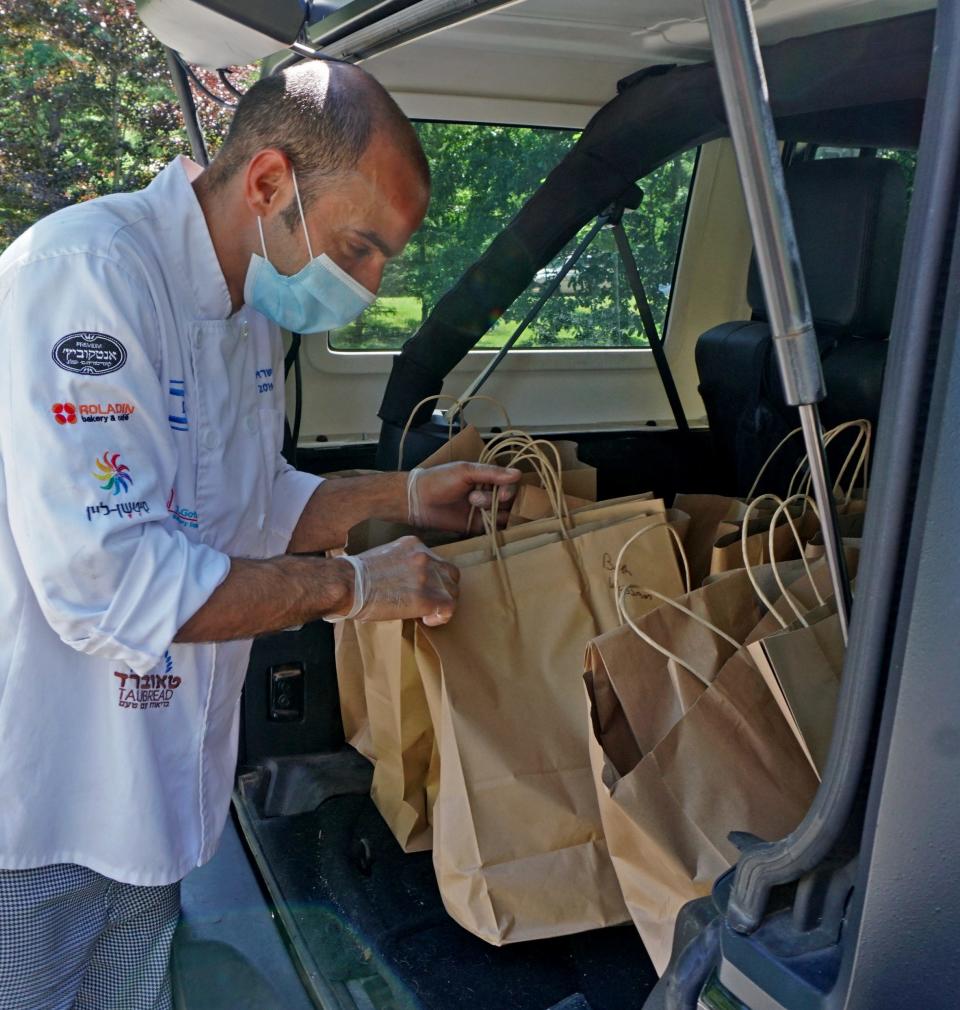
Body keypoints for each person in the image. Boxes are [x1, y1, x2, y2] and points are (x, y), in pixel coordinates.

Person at [0, 59, 519, 1009]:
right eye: (360, 248)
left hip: (153, 801)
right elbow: (110, 580)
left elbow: (252, 499)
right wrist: (353, 589)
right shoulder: (86, 278)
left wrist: (406, 493)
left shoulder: (248, 308)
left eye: (383, 263)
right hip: (43, 809)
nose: (367, 287)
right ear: (270, 182)